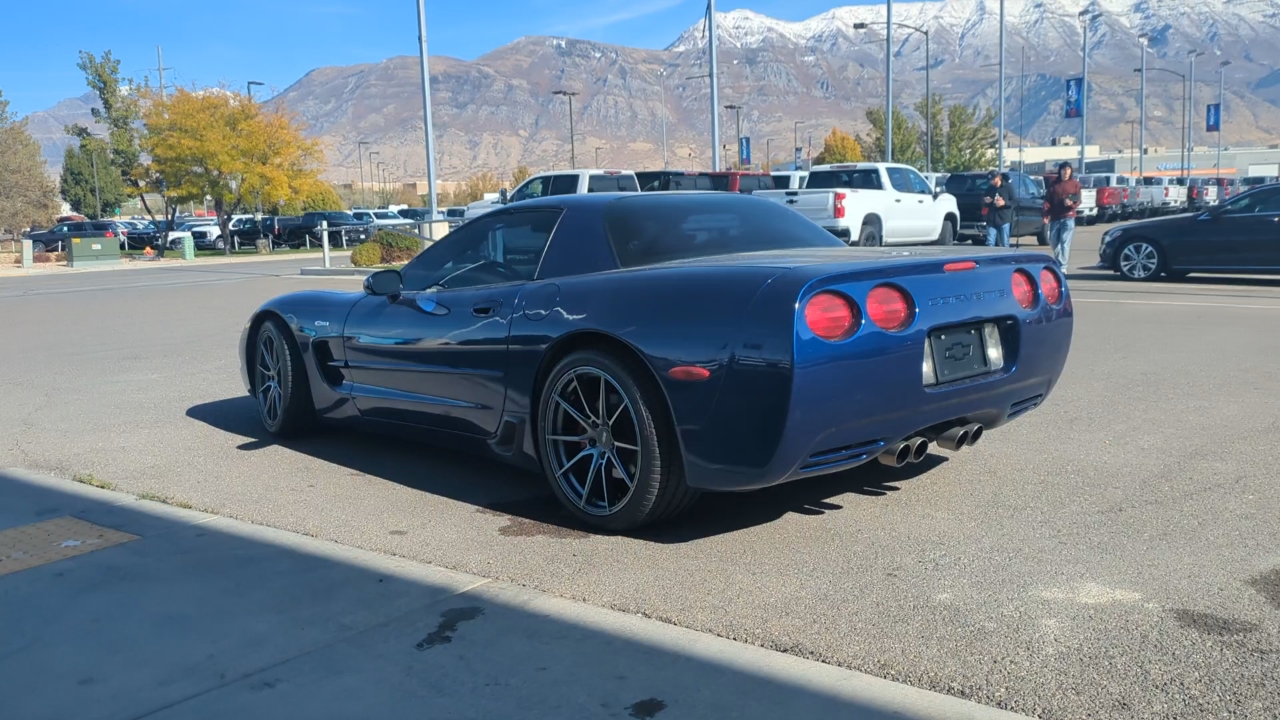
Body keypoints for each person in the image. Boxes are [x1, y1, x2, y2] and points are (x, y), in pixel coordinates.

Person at [1044, 161, 1081, 266]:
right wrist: (1045, 214)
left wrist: (1071, 204)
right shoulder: (1054, 184)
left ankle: (1063, 265)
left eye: (1068, 170)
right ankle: (1059, 260)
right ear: (1060, 171)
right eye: (1064, 170)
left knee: (1065, 242)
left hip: (1068, 217)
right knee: (1054, 241)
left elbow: (1078, 200)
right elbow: (1047, 200)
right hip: (1055, 217)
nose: (1066, 172)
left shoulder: (1075, 184)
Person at [983, 171, 1014, 248]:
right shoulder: (989, 188)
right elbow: (983, 200)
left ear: (998, 178)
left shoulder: (1008, 187)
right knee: (990, 243)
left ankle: (1005, 258)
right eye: (990, 180)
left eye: (993, 179)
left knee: (1005, 243)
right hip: (991, 219)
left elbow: (1014, 201)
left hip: (1004, 218)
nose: (992, 181)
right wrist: (986, 201)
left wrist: (1004, 203)